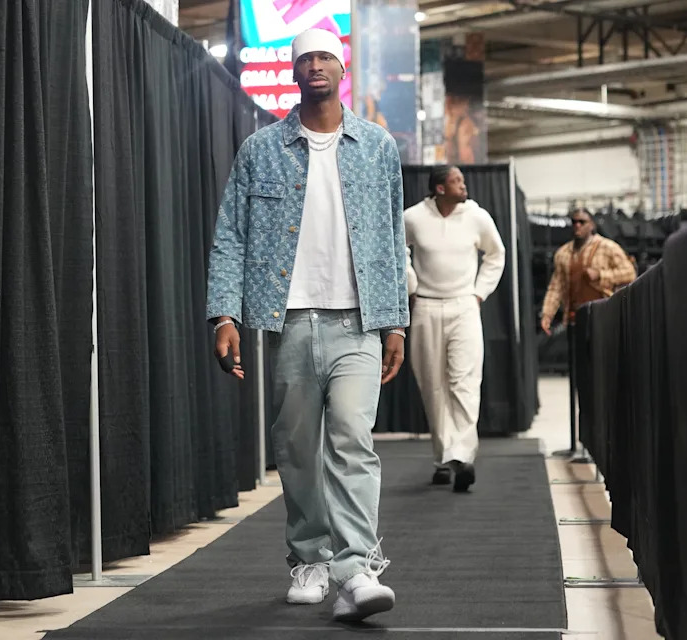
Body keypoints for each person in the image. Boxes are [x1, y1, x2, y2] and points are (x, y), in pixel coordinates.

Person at [205, 28, 409, 622]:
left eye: (324, 56)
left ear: (340, 67)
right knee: (296, 449)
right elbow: (231, 237)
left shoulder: (376, 146)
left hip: (357, 321)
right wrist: (225, 314)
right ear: (293, 72)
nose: (315, 66)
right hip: (289, 320)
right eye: (305, 59)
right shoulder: (261, 149)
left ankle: (356, 566)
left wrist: (395, 321)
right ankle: (309, 559)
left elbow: (392, 240)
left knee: (352, 439)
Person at [404, 165, 506, 492]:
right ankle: (443, 458)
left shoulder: (477, 217)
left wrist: (479, 292)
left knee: (464, 381)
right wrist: (411, 285)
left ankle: (463, 456)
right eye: (456, 181)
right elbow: (396, 250)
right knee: (433, 385)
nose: (464, 185)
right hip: (427, 307)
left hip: (464, 304)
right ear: (439, 188)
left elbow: (496, 254)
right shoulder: (413, 217)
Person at [540, 208, 636, 334]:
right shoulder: (563, 253)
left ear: (591, 225)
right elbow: (556, 287)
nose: (577, 225)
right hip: (573, 318)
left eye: (582, 222)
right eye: (574, 222)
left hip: (603, 316)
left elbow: (629, 273)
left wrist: (601, 275)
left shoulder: (607, 247)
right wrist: (547, 314)